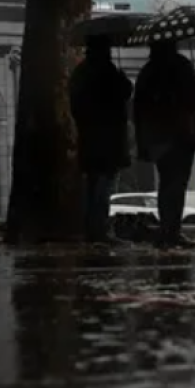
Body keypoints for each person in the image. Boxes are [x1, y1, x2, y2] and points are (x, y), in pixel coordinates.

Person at [133, 39, 195, 249]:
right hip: (180, 133)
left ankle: (167, 230)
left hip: (156, 136)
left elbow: (137, 107)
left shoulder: (147, 71)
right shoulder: (181, 65)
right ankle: (171, 231)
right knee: (177, 183)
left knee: (166, 183)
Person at [68, 34, 134, 243]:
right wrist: (123, 81)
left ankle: (91, 229)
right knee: (103, 186)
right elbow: (121, 94)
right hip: (107, 137)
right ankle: (100, 231)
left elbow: (75, 104)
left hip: (88, 136)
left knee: (92, 185)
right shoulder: (106, 72)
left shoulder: (80, 73)